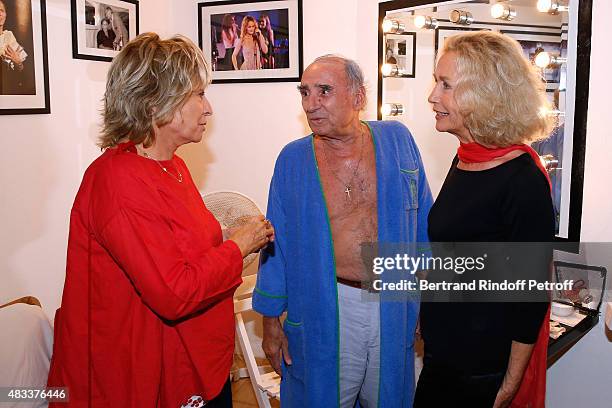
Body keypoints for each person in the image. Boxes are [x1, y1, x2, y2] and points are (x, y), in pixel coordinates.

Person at [47, 33, 275, 407]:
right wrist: (238, 246)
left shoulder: (173, 166)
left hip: (190, 361)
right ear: (156, 103)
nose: (209, 108)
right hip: (138, 374)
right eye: (198, 94)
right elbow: (175, 293)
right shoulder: (117, 181)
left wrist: (223, 235)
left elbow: (174, 242)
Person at [253, 55, 433, 407]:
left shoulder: (397, 140)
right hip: (328, 305)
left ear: (358, 97)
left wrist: (428, 303)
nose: (311, 104)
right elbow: (276, 245)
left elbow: (423, 225)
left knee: (390, 398)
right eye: (304, 93)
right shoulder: (293, 159)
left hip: (392, 304)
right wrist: (270, 322)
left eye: (324, 91)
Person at [414, 31, 554, 408]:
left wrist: (510, 382)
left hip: (482, 370)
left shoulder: (523, 179)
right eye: (435, 83)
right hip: (443, 355)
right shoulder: (464, 159)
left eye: (446, 85)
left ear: (484, 95)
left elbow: (530, 293)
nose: (432, 97)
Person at [0, 0, 26, 72]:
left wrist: (18, 62)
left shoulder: (9, 35)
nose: (0, 14)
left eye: (2, 10)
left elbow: (22, 70)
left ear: (6, 14)